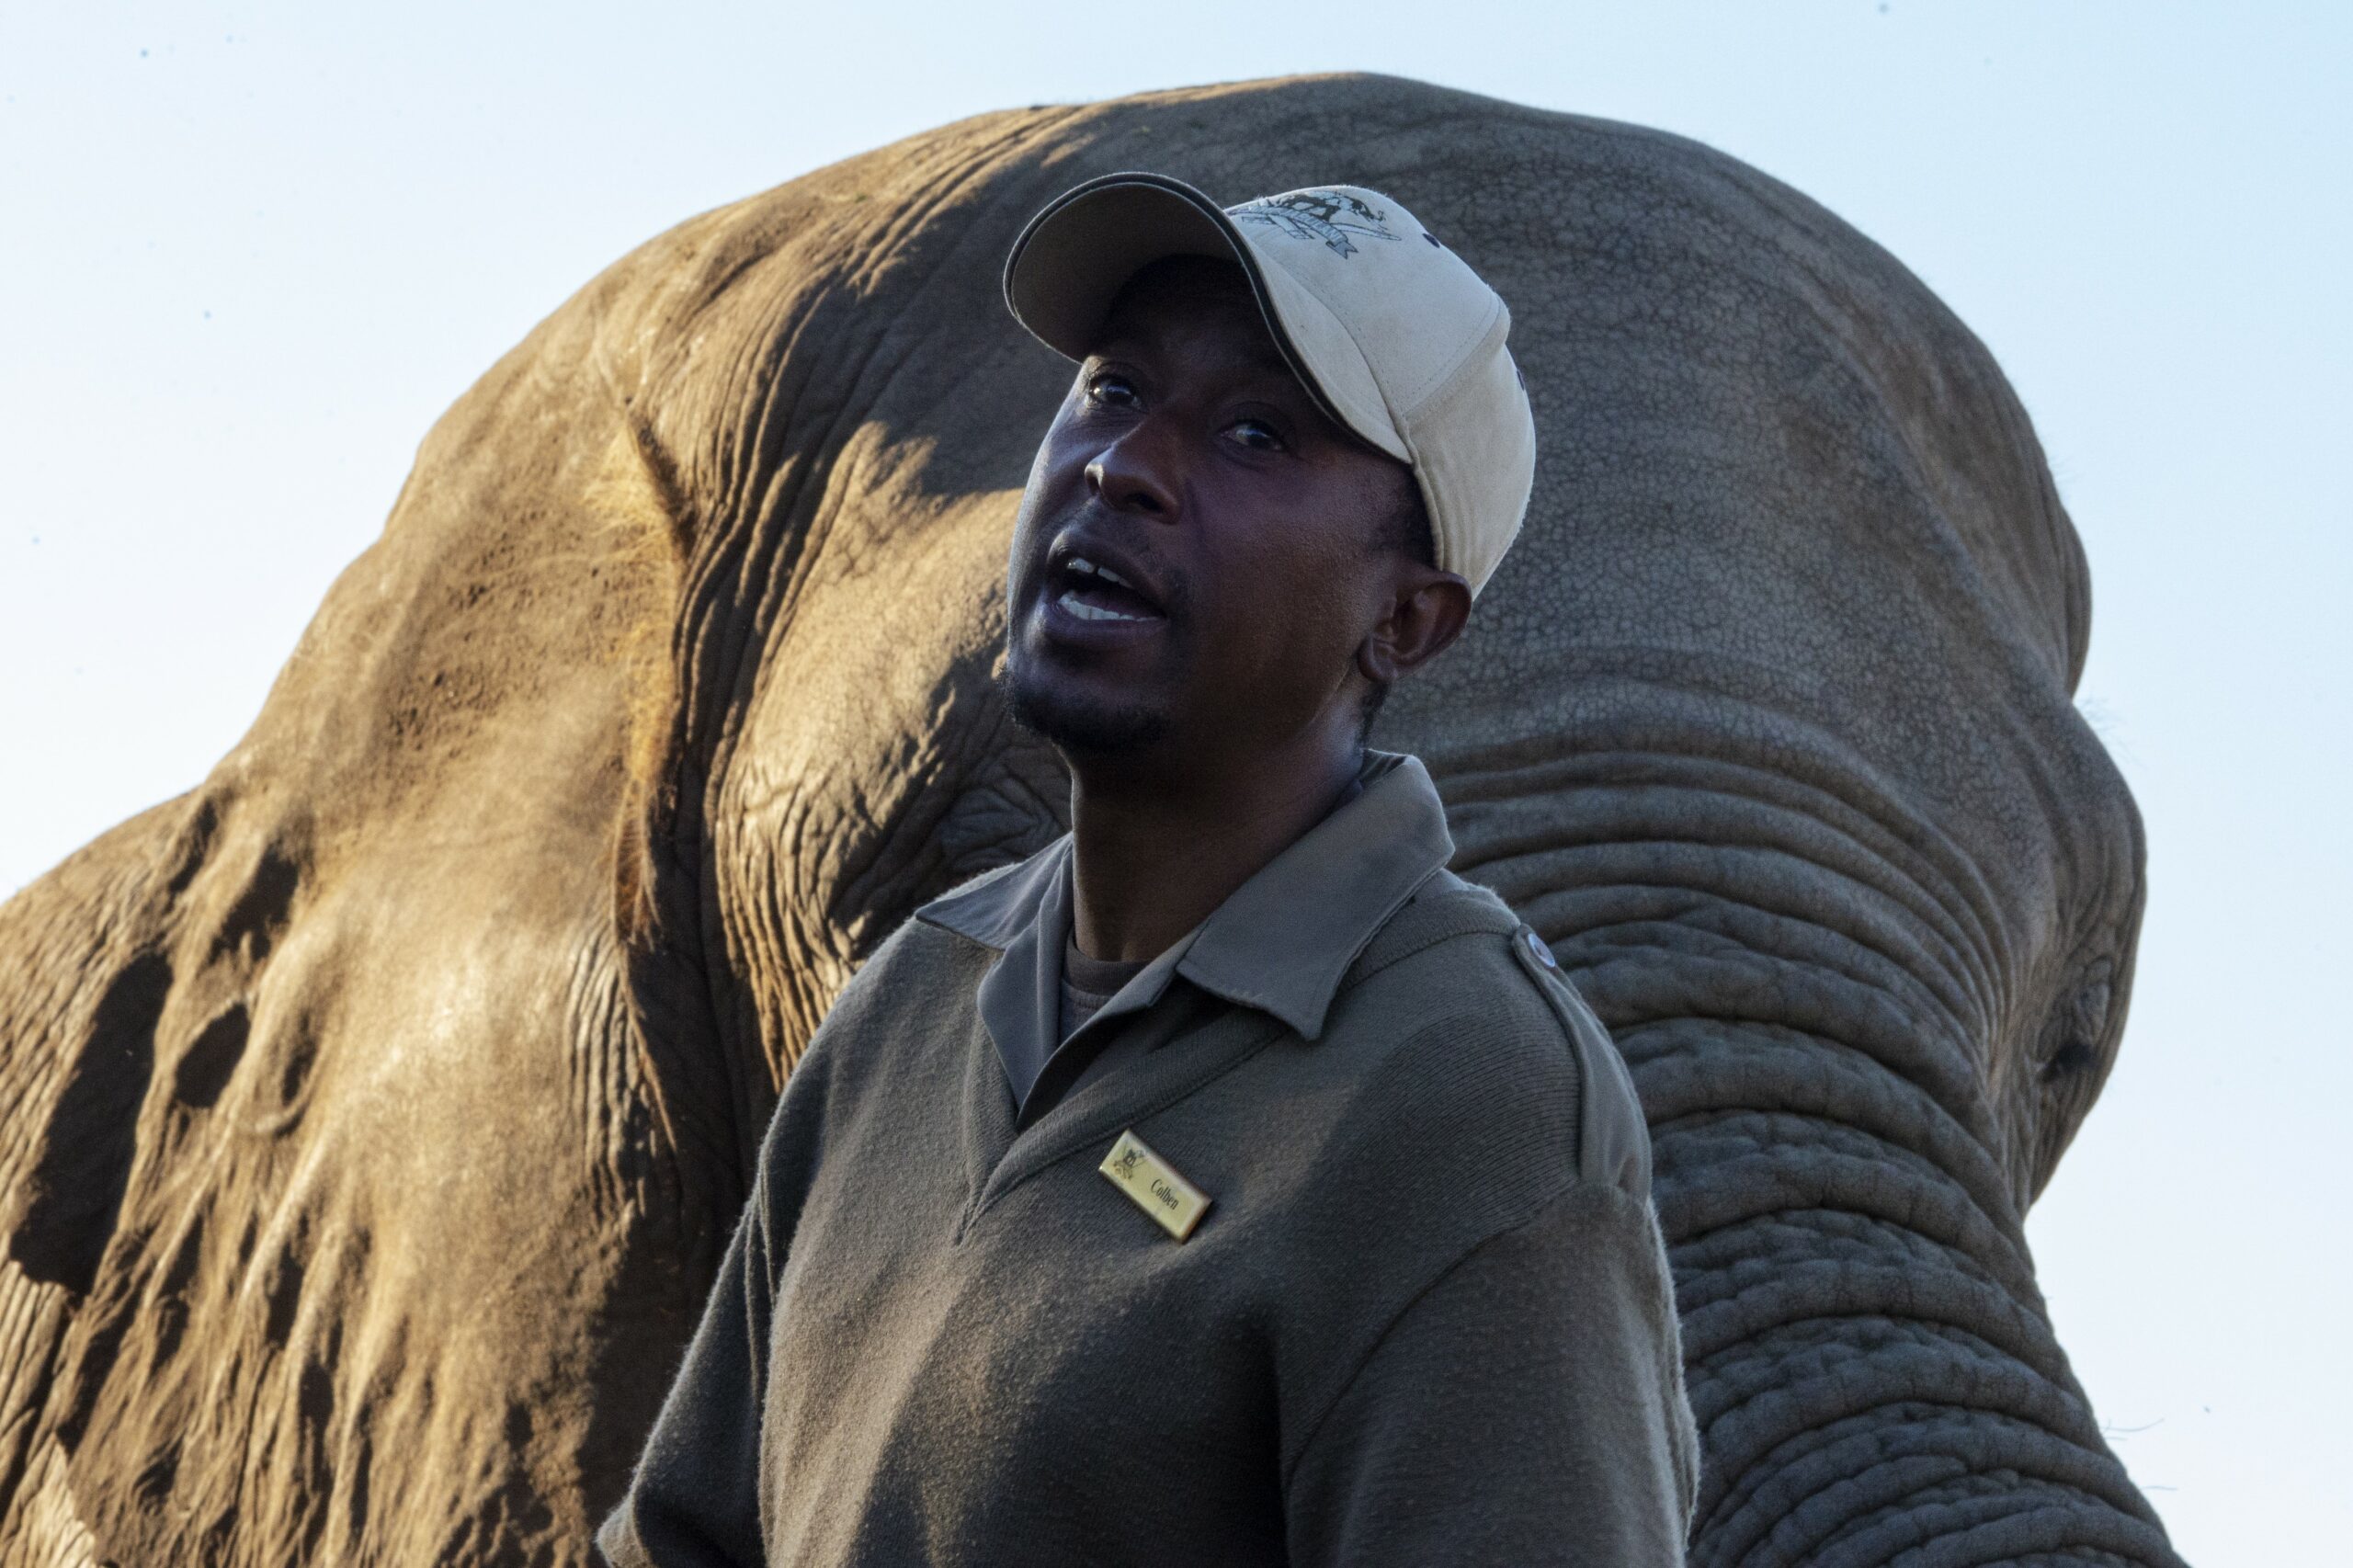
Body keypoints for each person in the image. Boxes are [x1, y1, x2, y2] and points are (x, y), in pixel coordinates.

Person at [597, 172, 1699, 1567]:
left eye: (1254, 432)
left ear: (1410, 621)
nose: (1121, 465)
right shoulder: (917, 994)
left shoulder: (1473, 1098)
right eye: (1113, 390)